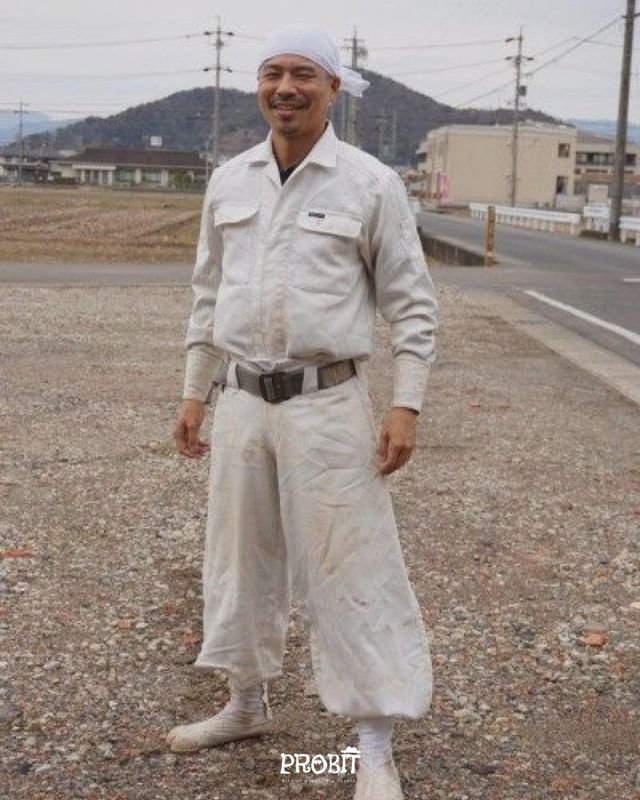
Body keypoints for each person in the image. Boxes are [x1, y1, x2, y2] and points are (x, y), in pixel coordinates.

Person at [168, 25, 438, 800]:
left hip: (328, 403)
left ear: (333, 89)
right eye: (272, 74)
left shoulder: (369, 184)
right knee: (238, 558)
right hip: (242, 402)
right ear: (259, 86)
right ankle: (245, 704)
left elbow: (412, 304)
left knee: (350, 563)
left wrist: (406, 404)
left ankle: (373, 745)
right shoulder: (231, 181)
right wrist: (194, 391)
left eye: (303, 75)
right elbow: (208, 294)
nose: (285, 88)